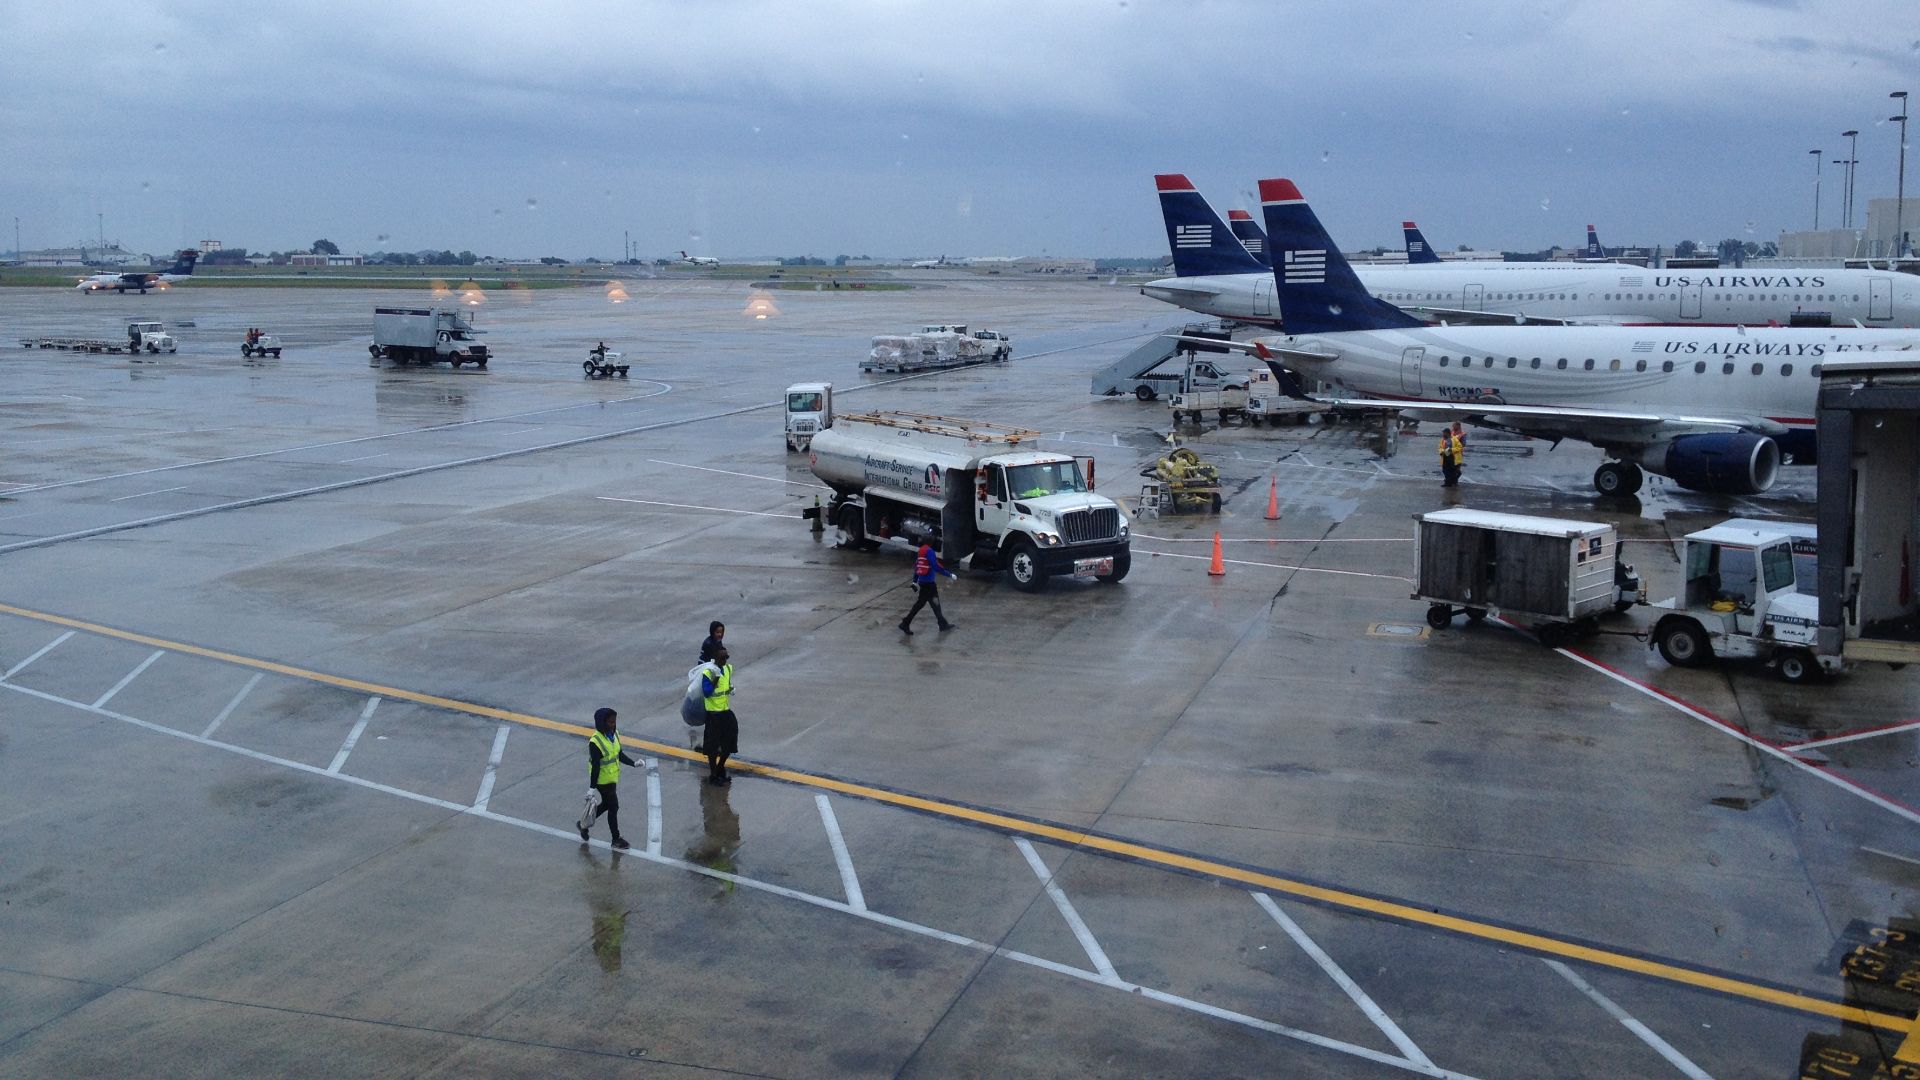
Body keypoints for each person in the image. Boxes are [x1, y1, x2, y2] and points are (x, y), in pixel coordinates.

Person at [579, 707, 637, 849]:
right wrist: (592, 788)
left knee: (607, 804)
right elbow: (596, 766)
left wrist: (633, 763)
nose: (613, 725)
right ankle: (615, 838)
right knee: (613, 806)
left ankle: (583, 824)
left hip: (612, 778)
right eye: (610, 722)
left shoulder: (614, 734)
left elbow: (619, 754)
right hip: (602, 781)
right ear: (602, 723)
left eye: (614, 722)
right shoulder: (595, 742)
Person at [701, 646, 739, 786]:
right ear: (715, 658)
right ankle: (713, 775)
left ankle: (720, 767)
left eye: (726, 657)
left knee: (730, 741)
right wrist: (715, 679)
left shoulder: (728, 669)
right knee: (713, 746)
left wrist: (730, 688)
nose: (725, 660)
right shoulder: (709, 672)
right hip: (713, 714)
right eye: (722, 657)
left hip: (725, 711)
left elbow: (726, 685)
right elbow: (707, 692)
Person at [899, 542, 955, 635]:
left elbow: (918, 567)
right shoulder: (929, 551)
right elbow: (935, 566)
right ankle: (905, 622)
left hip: (923, 583)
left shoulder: (921, 551)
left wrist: (914, 581)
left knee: (931, 603)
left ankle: (942, 623)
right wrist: (949, 574)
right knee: (928, 603)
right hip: (929, 584)